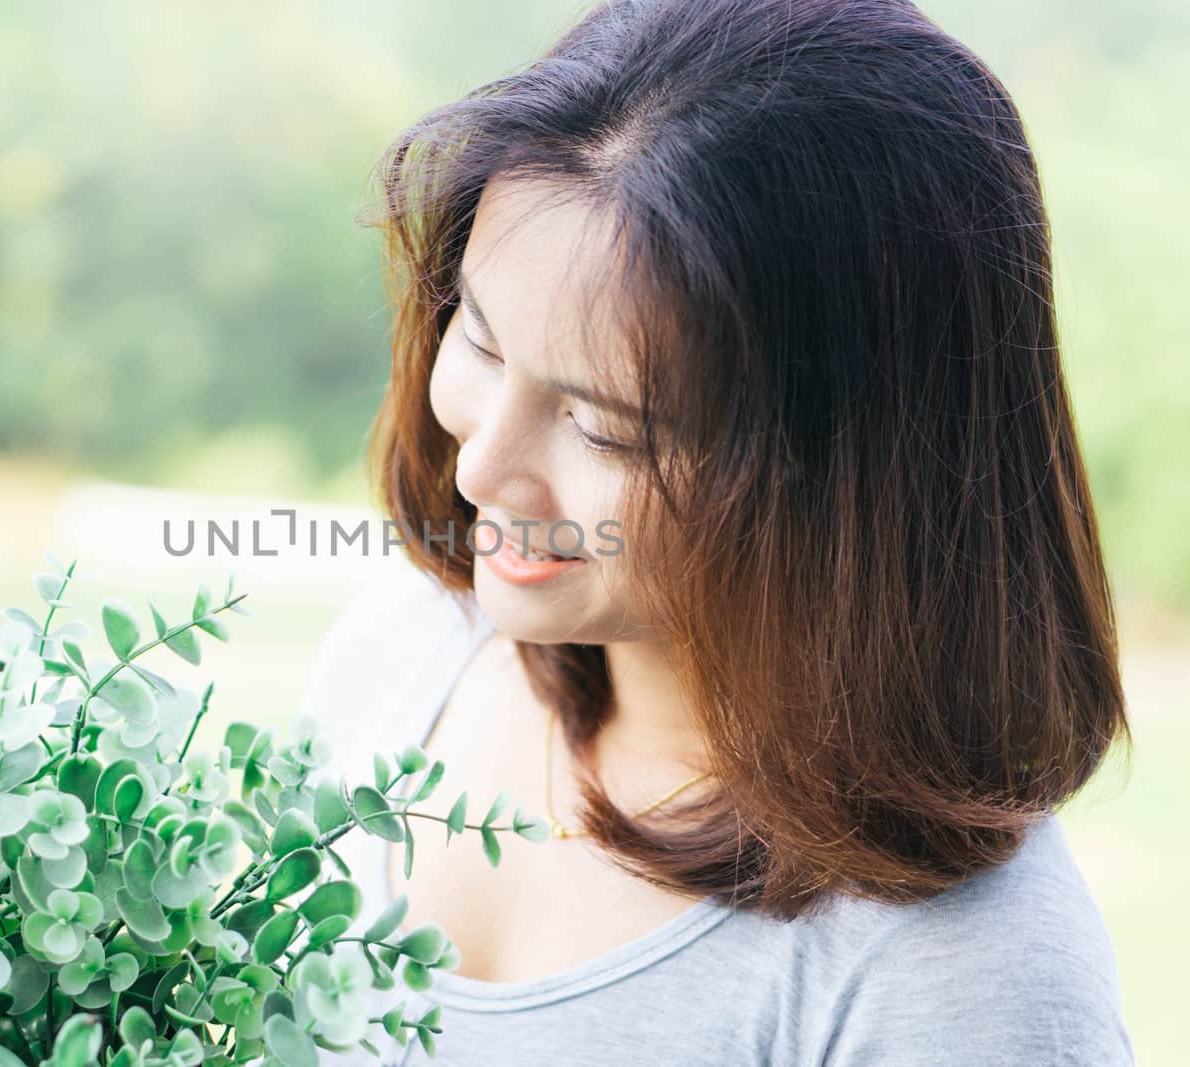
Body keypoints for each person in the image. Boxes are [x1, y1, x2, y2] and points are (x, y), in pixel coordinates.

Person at [298, 0, 1136, 1063]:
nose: (478, 468)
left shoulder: (961, 973)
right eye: (481, 338)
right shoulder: (402, 652)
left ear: (842, 484)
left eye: (605, 427)